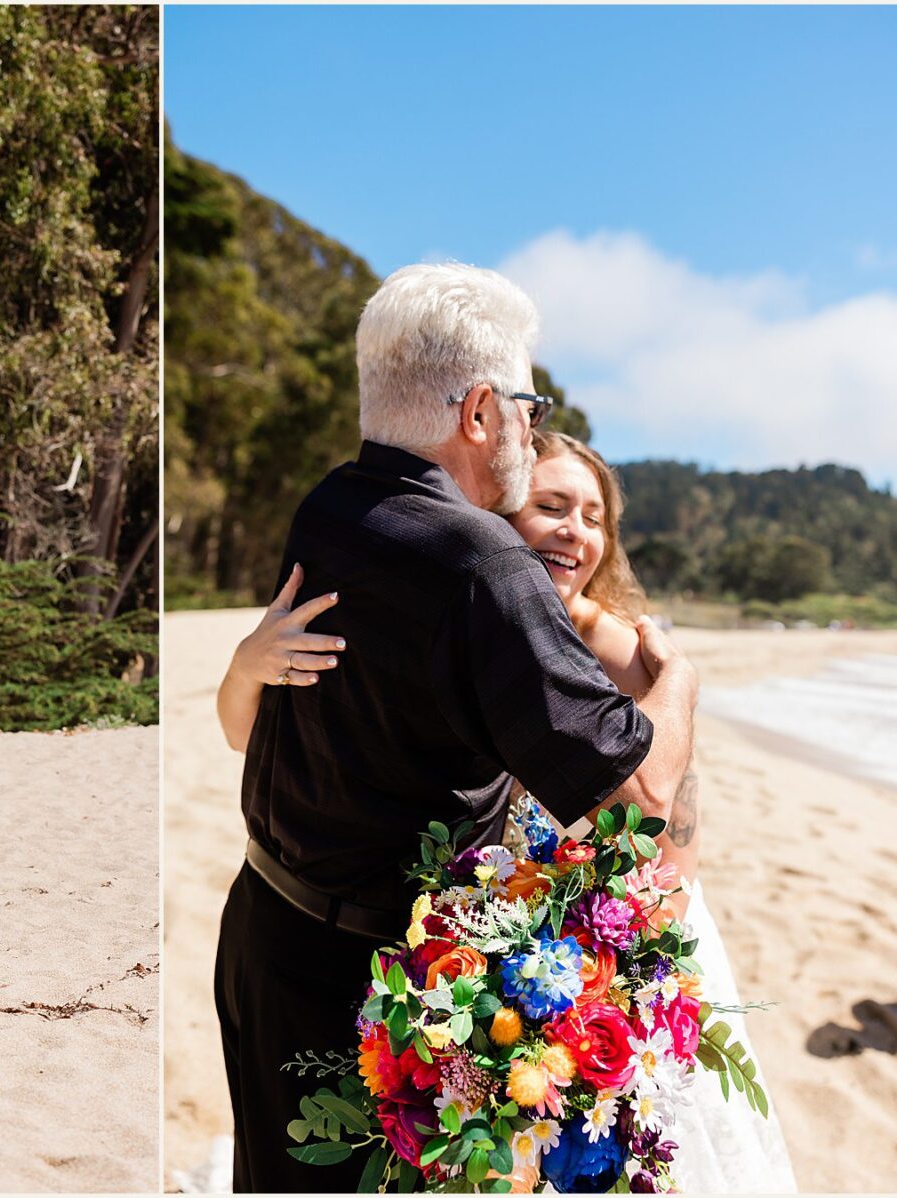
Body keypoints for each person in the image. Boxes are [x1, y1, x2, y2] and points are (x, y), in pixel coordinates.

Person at [210, 263, 701, 1192]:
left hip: (261, 932)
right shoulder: (482, 563)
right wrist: (677, 682)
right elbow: (637, 802)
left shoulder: (331, 505)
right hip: (370, 995)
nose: (529, 421)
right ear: (479, 412)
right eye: (525, 402)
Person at [223, 430, 796, 1190]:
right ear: (496, 519)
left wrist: (573, 999)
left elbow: (667, 865)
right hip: (465, 978)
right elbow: (246, 736)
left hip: (578, 980)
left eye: (594, 517)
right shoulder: (457, 615)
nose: (575, 531)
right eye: (551, 506)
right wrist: (244, 664)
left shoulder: (624, 655)